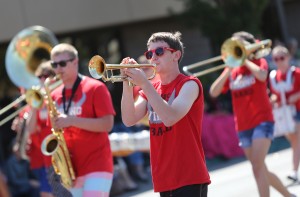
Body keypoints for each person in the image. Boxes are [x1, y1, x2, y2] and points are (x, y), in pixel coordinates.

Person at [120, 31, 211, 196]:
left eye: (159, 51)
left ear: (176, 55)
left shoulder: (189, 84)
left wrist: (144, 84)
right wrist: (127, 83)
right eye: (149, 53)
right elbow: (128, 119)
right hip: (163, 175)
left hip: (189, 173)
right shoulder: (151, 88)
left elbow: (170, 118)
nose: (153, 57)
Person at [209, 31, 296, 197]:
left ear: (249, 47)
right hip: (243, 125)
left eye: (240, 46)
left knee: (257, 166)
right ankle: (289, 195)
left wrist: (245, 60)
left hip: (263, 120)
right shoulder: (233, 70)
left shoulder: (259, 62)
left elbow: (263, 76)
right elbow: (214, 92)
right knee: (260, 168)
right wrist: (228, 68)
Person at [50, 43, 115, 197]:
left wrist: (71, 120)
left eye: (62, 63)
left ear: (75, 62)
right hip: (72, 169)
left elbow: (107, 124)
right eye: (54, 64)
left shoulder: (95, 88)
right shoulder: (53, 95)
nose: (58, 68)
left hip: (97, 163)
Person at [25, 60, 71, 197]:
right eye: (39, 77)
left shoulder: (63, 95)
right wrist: (34, 106)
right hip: (49, 158)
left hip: (67, 152)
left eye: (45, 75)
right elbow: (31, 129)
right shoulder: (38, 102)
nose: (42, 79)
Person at [269, 45, 300, 182]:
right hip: (285, 115)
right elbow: (275, 95)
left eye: (282, 57)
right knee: (294, 142)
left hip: (298, 111)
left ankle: (294, 171)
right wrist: (272, 100)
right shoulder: (274, 77)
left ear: (288, 58)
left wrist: (297, 95)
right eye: (276, 59)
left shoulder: (296, 73)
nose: (279, 61)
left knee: (297, 142)